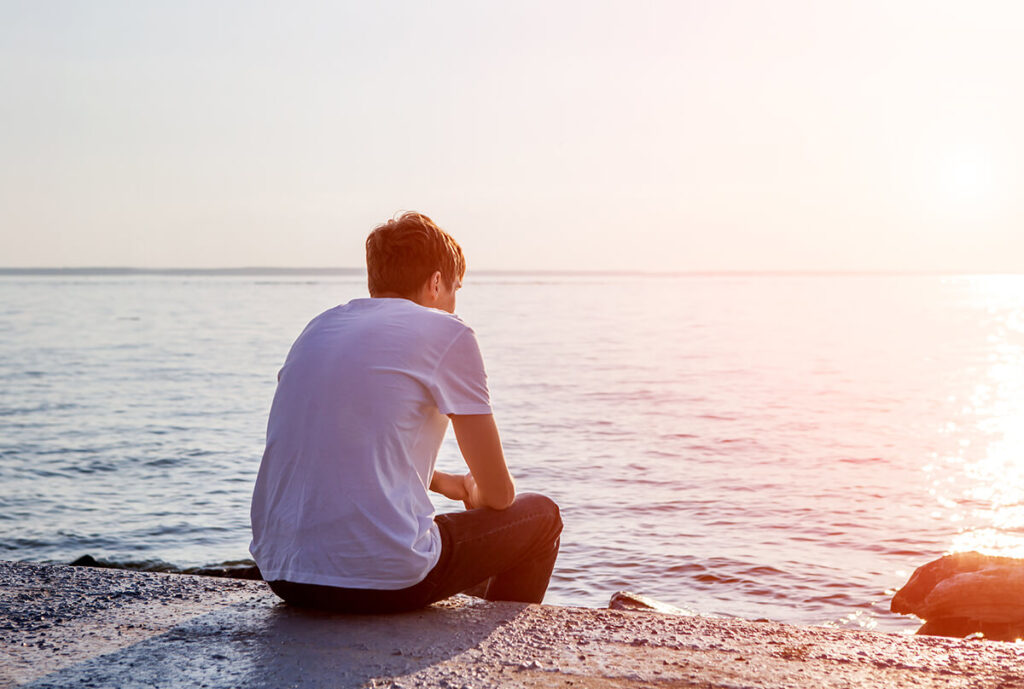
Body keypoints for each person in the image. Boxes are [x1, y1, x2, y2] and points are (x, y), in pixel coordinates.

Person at [249, 211, 562, 613]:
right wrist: (473, 491)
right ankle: (492, 649)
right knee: (540, 516)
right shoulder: (448, 332)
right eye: (455, 289)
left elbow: (344, 441)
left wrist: (445, 483)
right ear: (436, 283)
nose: (453, 303)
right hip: (381, 581)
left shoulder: (320, 327)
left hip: (283, 574)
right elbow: (500, 495)